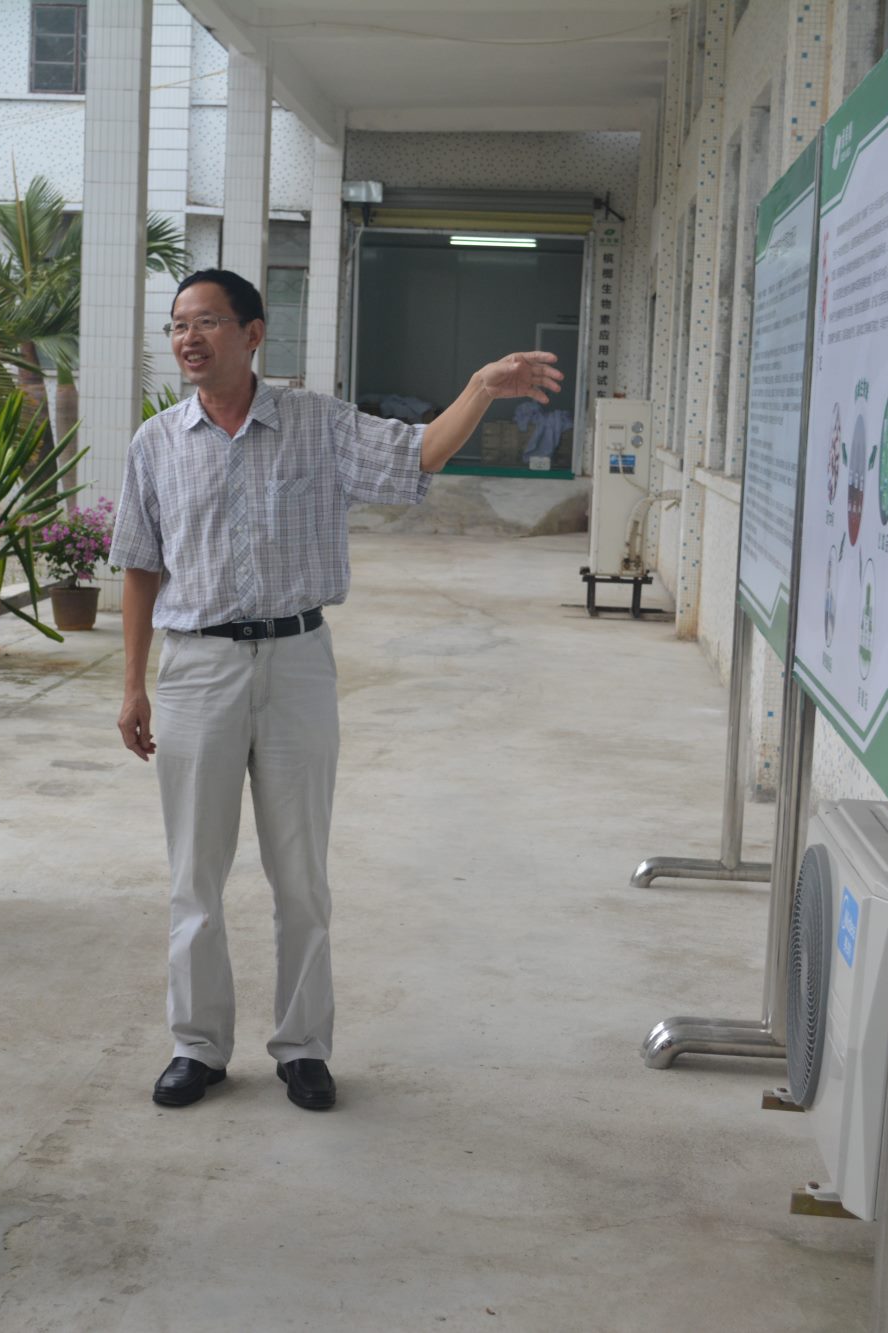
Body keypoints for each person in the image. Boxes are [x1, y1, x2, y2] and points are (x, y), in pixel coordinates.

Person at [111, 268, 560, 1111]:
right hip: (196, 668)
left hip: (296, 662)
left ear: (253, 334)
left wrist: (479, 389)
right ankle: (197, 1045)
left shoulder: (317, 424)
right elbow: (140, 566)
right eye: (177, 325)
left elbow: (418, 454)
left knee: (300, 873)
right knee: (194, 873)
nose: (188, 339)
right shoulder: (155, 443)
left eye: (207, 322)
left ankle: (303, 1046)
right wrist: (133, 685)